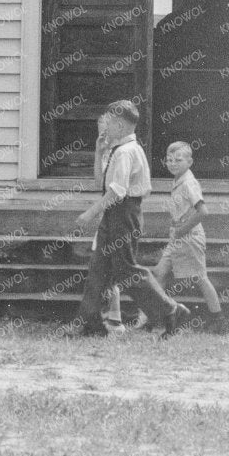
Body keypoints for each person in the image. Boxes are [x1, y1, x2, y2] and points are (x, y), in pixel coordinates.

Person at [71, 100, 183, 338]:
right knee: (98, 269)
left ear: (121, 126)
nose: (105, 129)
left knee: (126, 271)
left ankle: (169, 310)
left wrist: (90, 213)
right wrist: (99, 151)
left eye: (109, 123)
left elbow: (116, 192)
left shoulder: (126, 152)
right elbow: (99, 184)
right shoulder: (116, 149)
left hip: (124, 214)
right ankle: (90, 322)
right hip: (114, 214)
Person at [149, 140, 224, 333]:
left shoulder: (189, 183)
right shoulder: (177, 181)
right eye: (169, 160)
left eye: (178, 160)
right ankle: (153, 315)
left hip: (190, 236)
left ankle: (218, 318)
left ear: (189, 162)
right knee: (159, 273)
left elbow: (202, 211)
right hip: (177, 237)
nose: (173, 164)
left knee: (199, 277)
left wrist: (182, 230)